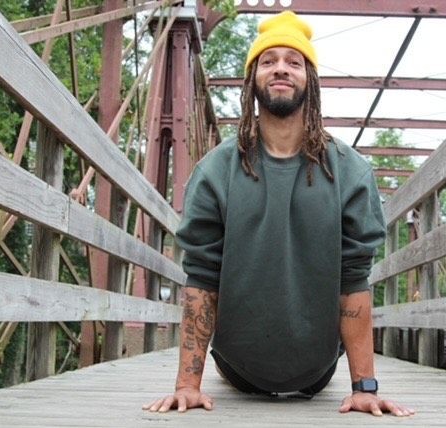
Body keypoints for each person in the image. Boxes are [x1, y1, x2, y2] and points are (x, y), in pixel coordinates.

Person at [144, 11, 414, 417]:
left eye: (294, 61)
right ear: (253, 78)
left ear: (311, 79)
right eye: (268, 61)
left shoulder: (350, 170)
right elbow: (201, 278)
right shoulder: (217, 171)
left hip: (317, 372)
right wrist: (187, 386)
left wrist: (365, 388)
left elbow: (354, 281)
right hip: (237, 368)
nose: (281, 69)